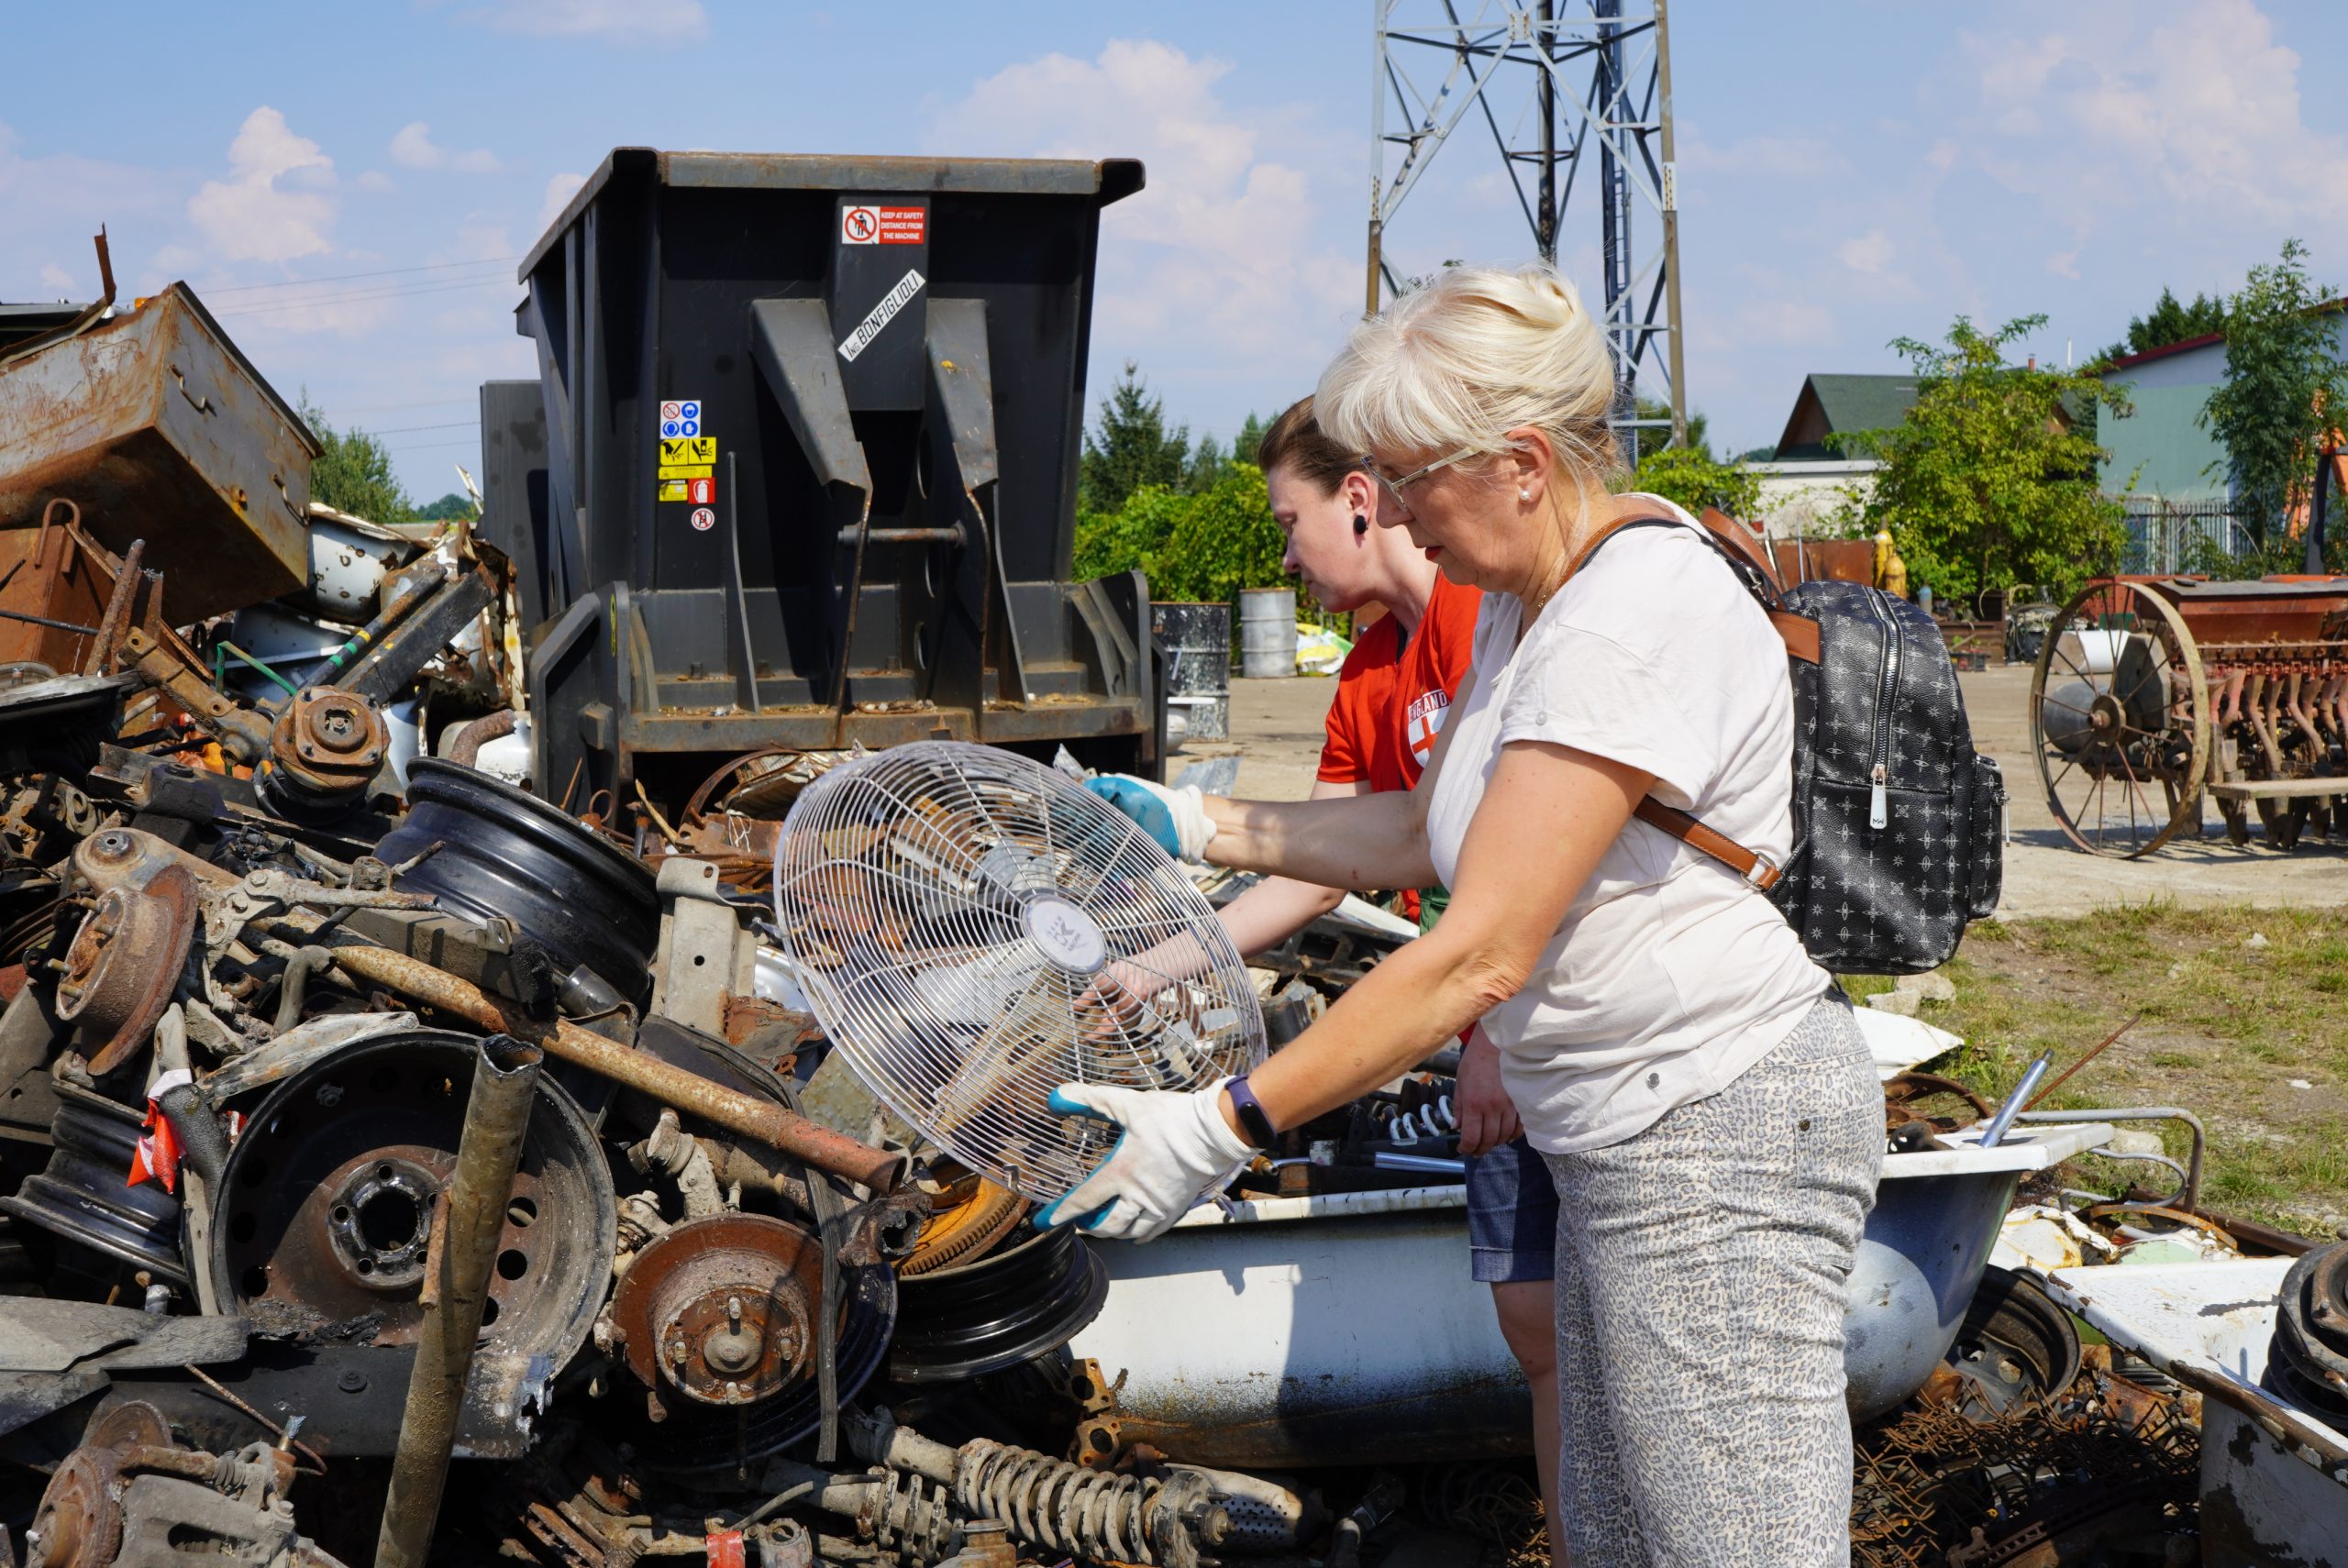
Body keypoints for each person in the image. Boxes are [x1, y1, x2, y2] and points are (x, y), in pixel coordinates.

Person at [1050, 264, 1880, 1568]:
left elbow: (1480, 944)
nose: (1396, 515)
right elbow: (1413, 828)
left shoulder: (1627, 615)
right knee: (1611, 1533)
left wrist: (1228, 1121)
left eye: (1409, 478)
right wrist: (1193, 821)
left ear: (1521, 462)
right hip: (1615, 1125)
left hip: (1715, 1128)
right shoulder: (1519, 602)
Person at [1110, 399, 1568, 1546]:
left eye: (1287, 521)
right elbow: (1325, 863)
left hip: (1539, 1010)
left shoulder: (1489, 618)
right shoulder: (1369, 671)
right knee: (1533, 1326)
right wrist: (1168, 953)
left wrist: (1492, 1041)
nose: (1282, 555)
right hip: (1486, 1006)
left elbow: (1541, 856)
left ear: (1359, 502)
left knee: (1582, 1322)